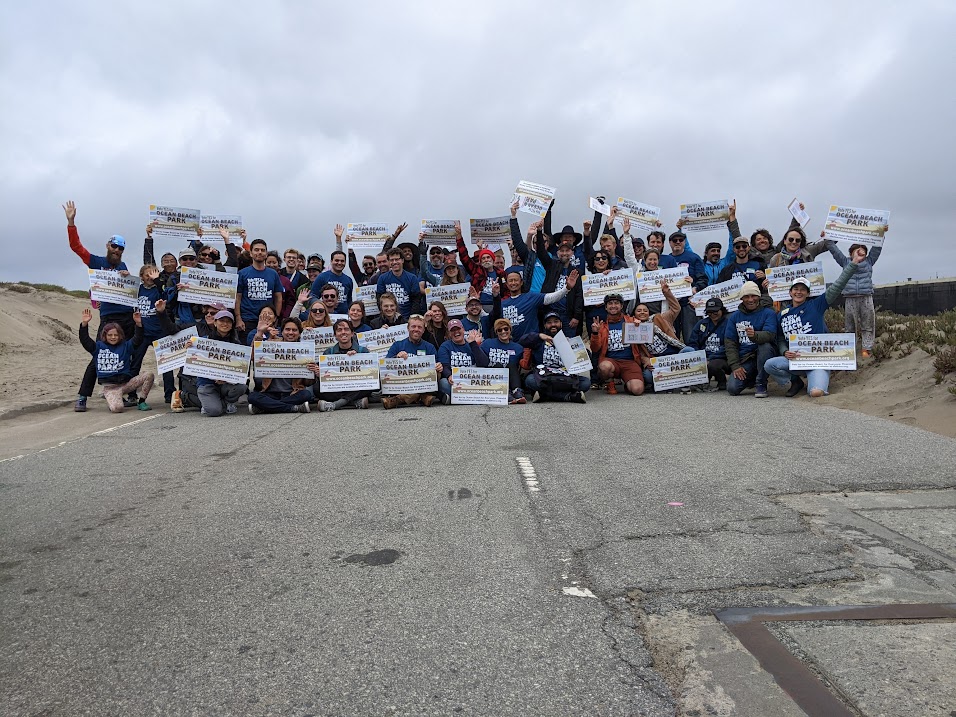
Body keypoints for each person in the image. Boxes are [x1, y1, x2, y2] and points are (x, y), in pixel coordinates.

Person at [64, 200, 138, 412]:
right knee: (99, 355)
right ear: (108, 246)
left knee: (128, 354)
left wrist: (128, 276)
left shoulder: (123, 265)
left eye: (121, 248)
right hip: (109, 318)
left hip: (127, 317)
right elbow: (76, 247)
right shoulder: (96, 262)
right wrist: (71, 223)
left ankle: (128, 392)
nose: (117, 250)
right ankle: (82, 396)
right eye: (114, 246)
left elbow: (130, 291)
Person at [765, 251, 865, 397]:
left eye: (803, 290)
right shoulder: (782, 314)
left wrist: (853, 263)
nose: (799, 292)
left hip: (818, 360)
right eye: (796, 289)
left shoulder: (817, 305)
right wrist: (784, 351)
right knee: (770, 365)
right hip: (796, 360)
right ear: (790, 292)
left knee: (815, 392)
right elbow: (780, 338)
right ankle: (795, 381)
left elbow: (838, 285)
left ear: (808, 293)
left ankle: (816, 379)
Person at [78, 307, 154, 412]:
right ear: (104, 335)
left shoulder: (126, 346)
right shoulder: (98, 347)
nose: (113, 337)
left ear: (120, 335)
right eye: (110, 335)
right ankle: (110, 396)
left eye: (116, 335)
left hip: (126, 384)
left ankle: (141, 401)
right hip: (110, 388)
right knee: (117, 409)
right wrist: (84, 324)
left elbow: (138, 339)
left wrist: (138, 324)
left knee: (149, 375)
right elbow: (85, 340)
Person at [825, 237, 885, 358]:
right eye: (856, 250)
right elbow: (835, 251)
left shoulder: (869, 261)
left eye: (862, 251)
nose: (860, 252)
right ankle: (850, 347)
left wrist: (881, 234)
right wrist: (828, 239)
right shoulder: (845, 262)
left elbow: (877, 248)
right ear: (851, 253)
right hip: (850, 297)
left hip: (866, 297)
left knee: (868, 323)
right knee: (850, 325)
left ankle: (866, 348)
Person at [518, 311, 590, 403]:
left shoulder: (568, 340)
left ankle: (544, 395)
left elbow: (587, 357)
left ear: (561, 324)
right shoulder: (539, 341)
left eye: (556, 321)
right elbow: (522, 341)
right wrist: (539, 336)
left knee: (586, 383)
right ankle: (569, 396)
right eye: (549, 322)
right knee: (529, 380)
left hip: (565, 377)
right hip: (544, 377)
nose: (553, 324)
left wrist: (576, 347)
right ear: (545, 326)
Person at [724, 281, 779, 397]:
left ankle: (761, 383)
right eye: (746, 296)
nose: (750, 300)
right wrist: (735, 366)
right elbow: (730, 343)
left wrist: (754, 336)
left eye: (753, 296)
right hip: (746, 358)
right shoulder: (734, 317)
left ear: (759, 296)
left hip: (764, 354)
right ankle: (751, 378)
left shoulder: (769, 313)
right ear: (741, 299)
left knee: (765, 346)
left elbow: (770, 334)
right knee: (732, 389)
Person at [248, 317, 312, 414]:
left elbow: (308, 382)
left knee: (306, 395)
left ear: (299, 333)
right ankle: (293, 408)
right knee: (252, 397)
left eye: (294, 330)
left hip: (292, 393)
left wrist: (311, 371)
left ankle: (266, 407)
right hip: (270, 393)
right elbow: (252, 356)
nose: (290, 332)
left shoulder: (305, 350)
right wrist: (260, 333)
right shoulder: (272, 345)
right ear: (282, 332)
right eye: (287, 329)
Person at [590, 293, 647, 396]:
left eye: (616, 303)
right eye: (610, 303)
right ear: (606, 307)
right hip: (611, 361)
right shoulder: (601, 326)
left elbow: (645, 336)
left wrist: (640, 325)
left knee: (637, 390)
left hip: (629, 362)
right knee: (604, 367)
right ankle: (609, 382)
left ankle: (628, 384)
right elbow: (595, 349)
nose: (613, 306)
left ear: (621, 306)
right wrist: (595, 333)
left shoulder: (631, 321)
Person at [382, 314, 443, 409]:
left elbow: (437, 365)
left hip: (421, 383)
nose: (416, 329)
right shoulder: (397, 345)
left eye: (419, 327)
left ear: (423, 330)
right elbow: (385, 367)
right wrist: (396, 358)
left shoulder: (429, 347)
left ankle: (399, 399)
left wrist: (439, 366)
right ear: (408, 328)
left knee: (437, 373)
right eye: (413, 326)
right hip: (402, 383)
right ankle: (422, 397)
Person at [135, 264, 176, 403]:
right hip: (142, 332)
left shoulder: (159, 287)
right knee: (135, 362)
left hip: (160, 332)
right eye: (147, 275)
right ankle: (132, 394)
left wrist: (158, 280)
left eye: (153, 274)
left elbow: (166, 295)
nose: (150, 277)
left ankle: (169, 394)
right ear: (141, 277)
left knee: (166, 365)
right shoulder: (137, 289)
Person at [501, 267, 577, 341]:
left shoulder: (531, 297)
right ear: (507, 284)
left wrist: (567, 288)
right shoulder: (502, 304)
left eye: (516, 280)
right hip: (511, 345)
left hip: (531, 343)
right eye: (510, 281)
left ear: (521, 282)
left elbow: (551, 298)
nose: (513, 283)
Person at [195, 310, 248, 416]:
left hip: (227, 384)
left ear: (232, 325)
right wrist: (189, 347)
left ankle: (227, 402)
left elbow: (239, 368)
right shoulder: (204, 341)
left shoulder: (236, 344)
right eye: (221, 320)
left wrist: (227, 378)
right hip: (207, 383)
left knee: (242, 387)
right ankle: (209, 403)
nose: (225, 324)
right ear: (215, 323)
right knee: (214, 411)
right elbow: (197, 363)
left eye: (228, 321)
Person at [313, 319, 373, 411]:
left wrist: (357, 357)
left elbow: (371, 374)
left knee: (371, 384)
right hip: (337, 388)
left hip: (355, 386)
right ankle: (354, 402)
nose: (343, 332)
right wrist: (319, 374)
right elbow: (324, 376)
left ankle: (335, 404)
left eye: (346, 329)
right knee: (317, 388)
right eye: (339, 330)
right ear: (335, 335)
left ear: (352, 333)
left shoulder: (362, 351)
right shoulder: (329, 352)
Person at [235, 238, 284, 343]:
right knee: (249, 349)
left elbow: (278, 297)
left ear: (266, 254)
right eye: (256, 250)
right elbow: (237, 297)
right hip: (247, 319)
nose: (260, 252)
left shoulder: (273, 274)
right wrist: (238, 318)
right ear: (251, 253)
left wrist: (276, 318)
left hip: (268, 320)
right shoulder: (242, 273)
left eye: (262, 250)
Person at [436, 319, 490, 404]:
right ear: (449, 333)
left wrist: (473, 344)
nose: (456, 332)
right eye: (452, 330)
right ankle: (468, 398)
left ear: (463, 329)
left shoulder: (471, 344)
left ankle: (457, 398)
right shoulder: (445, 346)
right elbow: (444, 366)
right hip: (456, 382)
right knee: (443, 383)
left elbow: (484, 364)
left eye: (458, 329)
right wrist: (449, 375)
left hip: (472, 381)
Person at [687, 297, 731, 391]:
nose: (713, 314)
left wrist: (711, 358)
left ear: (722, 310)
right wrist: (699, 357)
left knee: (713, 365)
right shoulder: (701, 324)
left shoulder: (729, 324)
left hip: (722, 358)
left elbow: (729, 346)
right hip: (703, 357)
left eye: (715, 311)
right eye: (710, 312)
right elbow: (693, 342)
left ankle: (722, 380)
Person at [480, 318, 526, 404]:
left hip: (510, 378)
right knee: (498, 365)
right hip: (493, 380)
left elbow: (521, 367)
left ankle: (517, 391)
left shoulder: (518, 348)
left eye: (506, 329)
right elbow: (480, 361)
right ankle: (505, 392)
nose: (503, 332)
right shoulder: (487, 343)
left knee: (511, 365)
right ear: (496, 332)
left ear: (510, 330)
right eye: (499, 330)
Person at [455, 221, 500, 309]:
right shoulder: (476, 270)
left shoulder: (501, 273)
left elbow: (507, 292)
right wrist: (459, 236)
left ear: (493, 259)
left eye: (488, 257)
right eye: (483, 258)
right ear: (480, 261)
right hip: (480, 305)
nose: (486, 260)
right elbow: (464, 257)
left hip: (497, 304)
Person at [376, 248, 422, 319]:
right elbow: (380, 300)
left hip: (407, 317)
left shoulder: (412, 278)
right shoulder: (382, 278)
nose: (394, 262)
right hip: (389, 317)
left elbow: (416, 300)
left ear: (402, 260)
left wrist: (411, 318)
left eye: (397, 259)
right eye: (391, 260)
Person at [312, 249, 353, 314]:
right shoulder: (322, 277)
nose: (339, 263)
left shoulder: (349, 280)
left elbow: (349, 301)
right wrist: (323, 305)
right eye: (337, 260)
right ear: (331, 261)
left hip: (343, 316)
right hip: (326, 315)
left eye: (342, 261)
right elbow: (313, 296)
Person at [266, 252, 296, 317]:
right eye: (269, 262)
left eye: (274, 262)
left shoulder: (285, 281)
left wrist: (285, 316)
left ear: (278, 264)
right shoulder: (260, 279)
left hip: (281, 318)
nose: (271, 265)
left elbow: (291, 301)